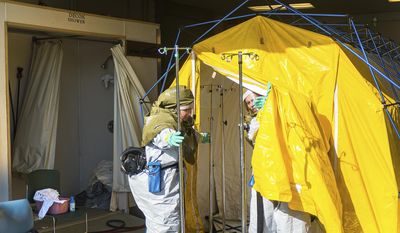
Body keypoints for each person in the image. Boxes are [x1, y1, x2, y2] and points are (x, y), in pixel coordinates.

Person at [128, 85, 206, 233]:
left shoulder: (176, 121)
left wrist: (199, 137)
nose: (189, 114)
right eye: (186, 110)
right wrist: (168, 137)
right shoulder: (161, 120)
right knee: (165, 223)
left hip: (168, 180)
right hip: (161, 182)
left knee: (168, 221)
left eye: (190, 109)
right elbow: (161, 133)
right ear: (174, 108)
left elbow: (184, 135)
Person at [243, 85, 311, 233]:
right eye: (248, 103)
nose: (252, 105)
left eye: (253, 100)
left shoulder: (282, 112)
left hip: (286, 174)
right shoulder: (252, 123)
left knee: (288, 219)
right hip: (263, 176)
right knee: (262, 220)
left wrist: (272, 104)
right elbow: (253, 138)